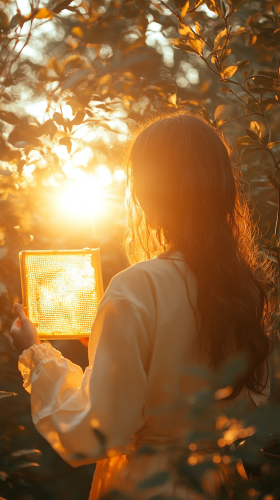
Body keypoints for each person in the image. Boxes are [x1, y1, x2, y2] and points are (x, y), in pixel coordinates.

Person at [10, 113, 274, 500]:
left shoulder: (136, 286)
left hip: (149, 485)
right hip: (220, 481)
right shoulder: (244, 286)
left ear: (149, 192)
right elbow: (247, 403)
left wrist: (36, 355)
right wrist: (108, 352)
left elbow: (99, 433)